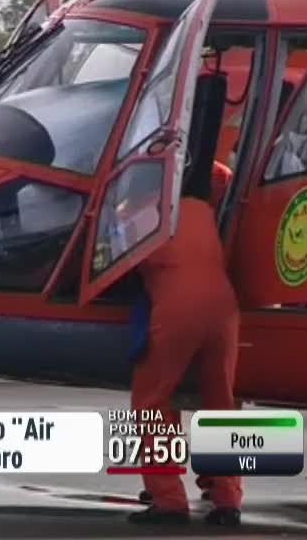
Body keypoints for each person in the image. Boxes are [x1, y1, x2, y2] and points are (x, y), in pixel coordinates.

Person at [126, 161, 242, 527]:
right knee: (221, 404)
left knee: (152, 402)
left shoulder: (138, 214)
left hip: (178, 307)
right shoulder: (200, 209)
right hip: (224, 307)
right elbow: (221, 176)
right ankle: (228, 500)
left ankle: (169, 500)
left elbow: (111, 264)